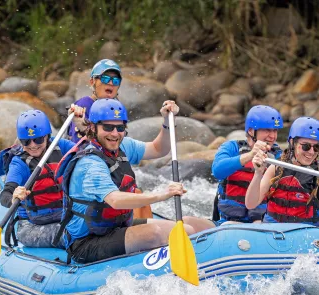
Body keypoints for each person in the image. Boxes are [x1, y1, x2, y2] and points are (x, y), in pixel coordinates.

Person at [58, 98, 207, 263]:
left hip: (118, 226)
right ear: (93, 127)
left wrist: (166, 121)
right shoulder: (89, 164)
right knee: (154, 234)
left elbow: (159, 149)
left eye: (120, 127)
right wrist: (162, 194)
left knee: (187, 231)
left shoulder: (123, 146)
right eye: (107, 127)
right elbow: (115, 200)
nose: (115, 133)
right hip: (87, 242)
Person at [246, 117, 319, 226]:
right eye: (306, 146)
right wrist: (258, 174)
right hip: (273, 230)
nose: (311, 152)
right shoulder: (276, 167)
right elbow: (251, 204)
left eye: (317, 147)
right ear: (293, 143)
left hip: (306, 233)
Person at [182, 105, 283, 231]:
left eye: (275, 131)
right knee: (185, 222)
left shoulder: (279, 156)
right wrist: (250, 155)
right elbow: (218, 171)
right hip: (228, 222)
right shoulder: (232, 148)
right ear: (251, 131)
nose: (272, 136)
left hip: (262, 224)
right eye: (267, 130)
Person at [0, 109, 79, 248]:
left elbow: (89, 151)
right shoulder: (19, 163)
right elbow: (5, 194)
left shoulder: (61, 146)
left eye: (38, 139)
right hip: (31, 227)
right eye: (26, 141)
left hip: (64, 217)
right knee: (73, 234)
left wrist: (81, 124)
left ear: (47, 136)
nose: (33, 145)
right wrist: (13, 197)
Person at [67, 59, 122, 143]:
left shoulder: (117, 109)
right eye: (105, 79)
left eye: (115, 81)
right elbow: (79, 146)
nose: (111, 83)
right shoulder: (84, 105)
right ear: (92, 81)